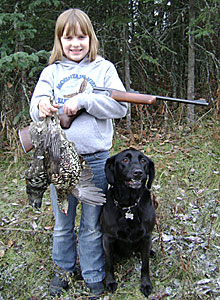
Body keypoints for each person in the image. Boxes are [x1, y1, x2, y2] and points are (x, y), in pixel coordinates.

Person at [29, 8, 128, 298]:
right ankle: (63, 271)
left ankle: (93, 274)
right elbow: (35, 107)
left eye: (81, 37)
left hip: (96, 160)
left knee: (92, 224)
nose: (75, 43)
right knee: (62, 224)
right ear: (60, 40)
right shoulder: (51, 72)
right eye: (68, 37)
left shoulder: (104, 69)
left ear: (90, 38)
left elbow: (120, 107)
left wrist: (84, 101)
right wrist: (44, 106)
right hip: (58, 159)